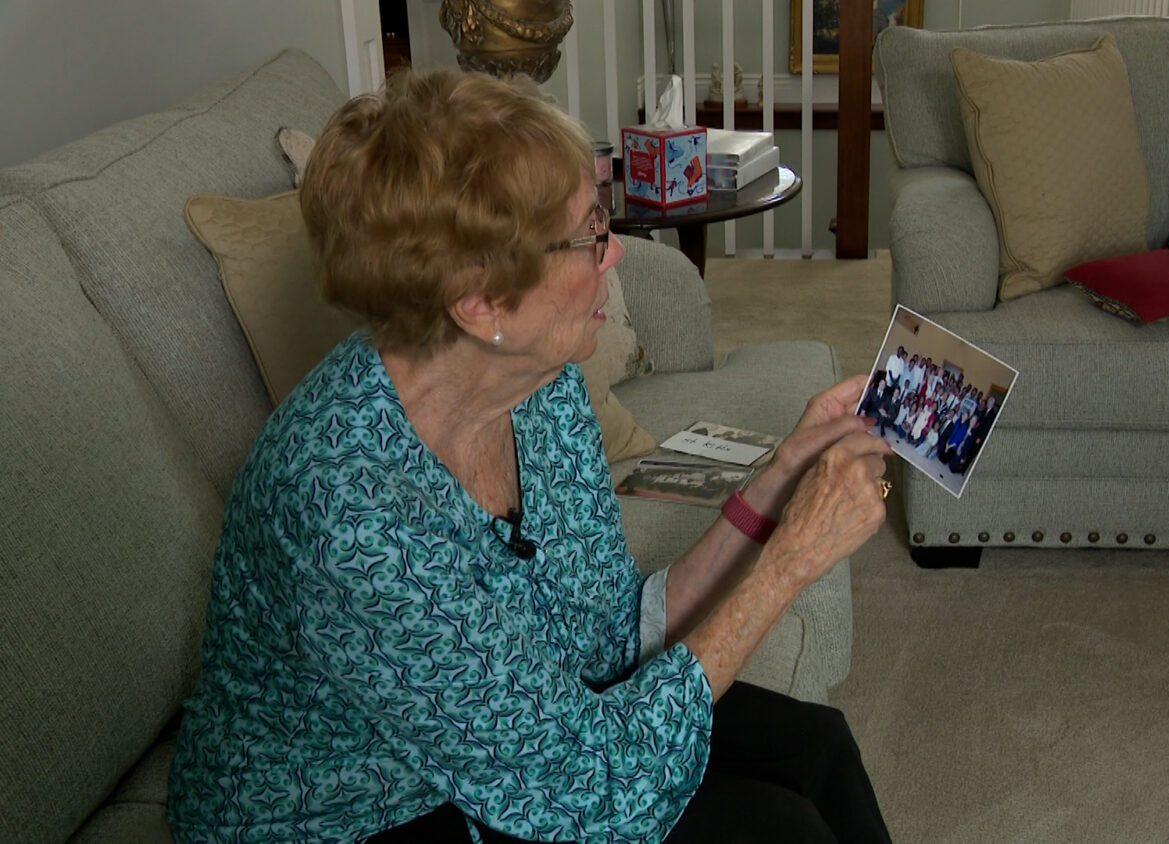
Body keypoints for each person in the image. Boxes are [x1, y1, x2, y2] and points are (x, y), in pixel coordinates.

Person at [166, 69, 893, 844]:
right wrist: (789, 561)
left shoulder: (539, 386)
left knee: (819, 751)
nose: (615, 255)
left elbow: (607, 634)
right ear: (481, 302)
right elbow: (596, 788)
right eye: (589, 235)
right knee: (779, 831)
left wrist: (783, 475)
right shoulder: (347, 512)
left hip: (512, 738)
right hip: (365, 815)